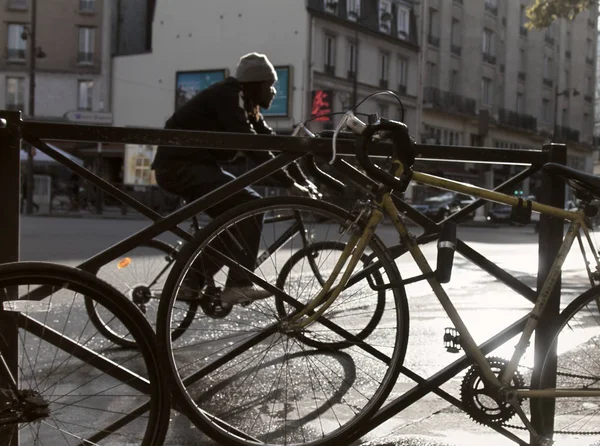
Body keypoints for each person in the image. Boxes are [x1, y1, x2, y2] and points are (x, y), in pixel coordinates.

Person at [152, 52, 318, 306]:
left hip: (195, 166)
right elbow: (255, 148)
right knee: (250, 209)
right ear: (256, 83)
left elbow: (272, 145)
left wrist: (302, 180)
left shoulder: (246, 104)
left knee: (235, 220)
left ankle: (191, 282)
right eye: (270, 85)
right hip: (180, 167)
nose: (274, 91)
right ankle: (237, 285)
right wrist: (289, 184)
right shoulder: (229, 96)